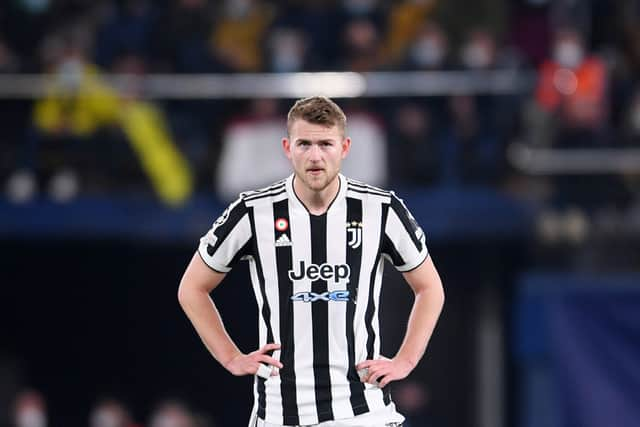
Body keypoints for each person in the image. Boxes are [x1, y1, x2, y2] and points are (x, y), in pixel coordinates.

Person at [178, 96, 445, 427]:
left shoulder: (382, 209)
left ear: (345, 147)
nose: (315, 155)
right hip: (279, 414)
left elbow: (430, 288)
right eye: (304, 144)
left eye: (325, 144)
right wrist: (230, 356)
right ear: (287, 148)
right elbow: (191, 288)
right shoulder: (252, 212)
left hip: (363, 413)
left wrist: (405, 360)